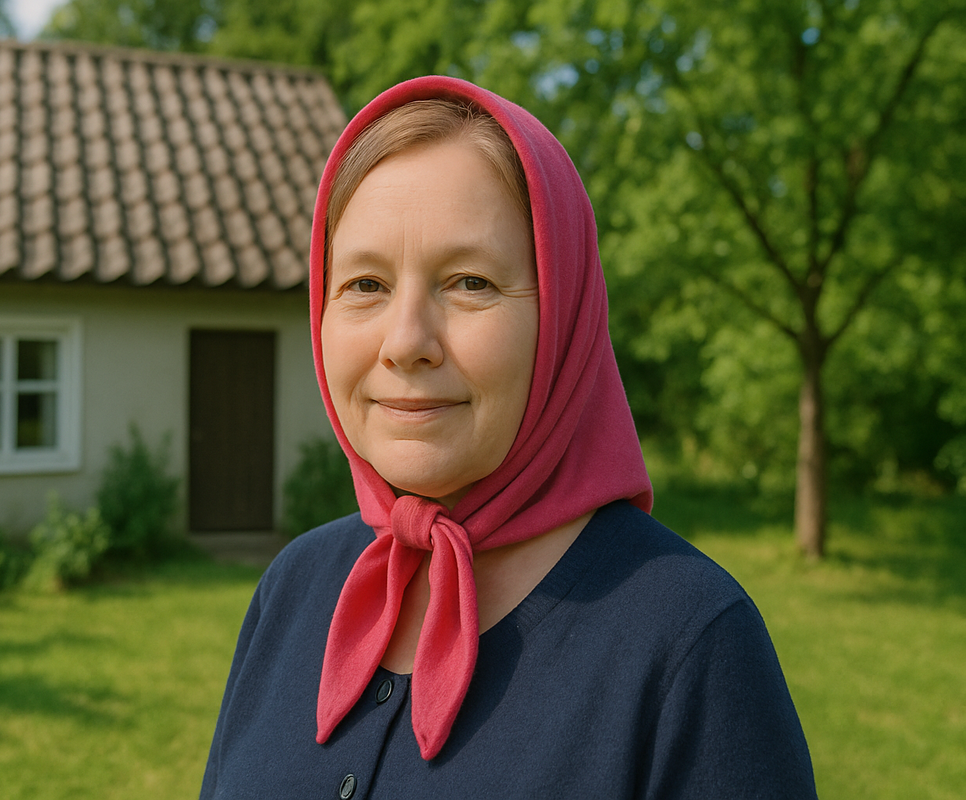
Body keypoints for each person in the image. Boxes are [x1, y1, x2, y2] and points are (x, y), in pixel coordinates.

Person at [200, 76, 818, 799]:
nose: (406, 343)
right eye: (365, 284)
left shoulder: (690, 643)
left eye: (470, 283)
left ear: (562, 318)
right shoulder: (292, 589)